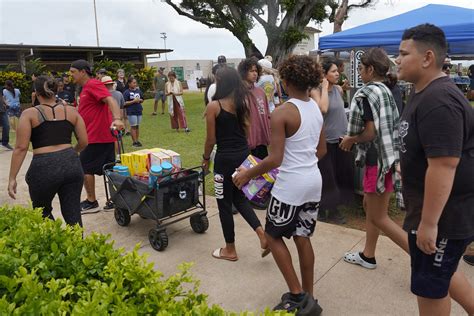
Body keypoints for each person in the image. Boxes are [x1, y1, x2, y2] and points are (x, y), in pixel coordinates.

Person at [233, 55, 325, 314]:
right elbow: (321, 150)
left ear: (284, 80)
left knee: (272, 236)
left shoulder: (282, 112)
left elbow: (275, 158)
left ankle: (296, 295)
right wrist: (303, 163)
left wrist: (247, 174)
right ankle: (310, 295)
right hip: (313, 182)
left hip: (290, 186)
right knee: (302, 237)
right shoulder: (315, 109)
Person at [396, 23, 474, 316]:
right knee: (445, 274)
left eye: (404, 53)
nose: (397, 59)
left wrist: (429, 224)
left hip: (444, 219)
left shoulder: (439, 100)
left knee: (431, 288)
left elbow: (444, 165)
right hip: (435, 213)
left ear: (427, 58)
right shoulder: (423, 92)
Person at [340, 48, 408, 270]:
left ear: (370, 69)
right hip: (389, 158)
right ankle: (368, 255)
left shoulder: (367, 93)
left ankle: (421, 258)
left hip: (375, 160)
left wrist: (351, 139)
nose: (359, 73)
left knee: (379, 217)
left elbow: (370, 133)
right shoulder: (386, 90)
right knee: (370, 205)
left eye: (360, 68)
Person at [201, 67, 269, 263]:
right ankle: (262, 236)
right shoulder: (242, 104)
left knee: (223, 203)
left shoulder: (214, 106)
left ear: (221, 82)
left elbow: (211, 139)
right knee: (240, 198)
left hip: (224, 159)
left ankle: (230, 249)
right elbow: (247, 133)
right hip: (242, 157)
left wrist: (206, 158)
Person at [7, 76, 88, 226]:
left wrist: (12, 178)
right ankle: (77, 247)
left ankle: (54, 245)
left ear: (36, 93)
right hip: (71, 164)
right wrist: (73, 152)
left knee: (42, 212)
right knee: (73, 213)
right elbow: (84, 141)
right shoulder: (71, 111)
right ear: (56, 91)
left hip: (44, 166)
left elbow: (21, 148)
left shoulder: (29, 114)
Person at [69, 59, 124, 212]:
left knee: (85, 168)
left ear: (83, 72)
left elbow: (110, 100)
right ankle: (117, 199)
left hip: (96, 137)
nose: (71, 75)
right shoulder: (85, 88)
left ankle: (92, 201)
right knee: (109, 169)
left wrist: (117, 119)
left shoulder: (93, 84)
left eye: (73, 72)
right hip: (98, 136)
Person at [311, 57, 353, 224]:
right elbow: (323, 108)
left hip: (340, 139)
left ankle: (329, 208)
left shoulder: (338, 90)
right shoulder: (315, 90)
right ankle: (328, 210)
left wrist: (336, 87)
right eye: (334, 71)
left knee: (338, 174)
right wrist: (324, 87)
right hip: (325, 142)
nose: (338, 73)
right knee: (327, 176)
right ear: (324, 74)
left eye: (337, 71)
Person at [238, 57, 271, 160]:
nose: (255, 73)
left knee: (262, 173)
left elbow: (267, 114)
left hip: (261, 140)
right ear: (244, 72)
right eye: (251, 71)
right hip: (245, 142)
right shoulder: (238, 92)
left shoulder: (260, 92)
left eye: (256, 71)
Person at [123, 77, 144, 147]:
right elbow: (124, 103)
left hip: (138, 110)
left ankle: (137, 141)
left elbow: (142, 99)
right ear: (129, 84)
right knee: (133, 126)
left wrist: (140, 100)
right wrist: (133, 101)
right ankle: (134, 142)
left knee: (137, 126)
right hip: (131, 111)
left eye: (135, 83)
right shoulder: (126, 92)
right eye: (133, 83)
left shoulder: (138, 91)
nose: (135, 84)